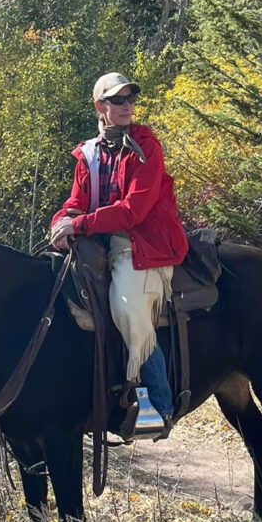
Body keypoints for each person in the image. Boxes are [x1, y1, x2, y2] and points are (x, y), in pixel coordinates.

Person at [51, 72, 189, 434]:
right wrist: (60, 223)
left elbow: (134, 211)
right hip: (101, 241)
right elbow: (76, 202)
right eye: (116, 99)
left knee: (128, 307)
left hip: (143, 244)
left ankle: (157, 405)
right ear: (100, 107)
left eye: (129, 98)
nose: (126, 105)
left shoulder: (147, 146)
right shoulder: (89, 153)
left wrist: (78, 226)